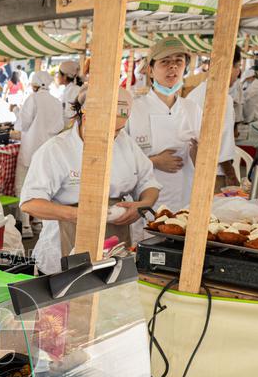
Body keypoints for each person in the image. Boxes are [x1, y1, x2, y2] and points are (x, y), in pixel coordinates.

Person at [21, 87, 161, 275]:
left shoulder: (125, 142)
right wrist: (79, 215)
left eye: (118, 130)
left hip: (116, 243)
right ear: (86, 117)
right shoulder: (56, 150)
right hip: (63, 248)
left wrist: (143, 205)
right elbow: (30, 204)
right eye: (108, 129)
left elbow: (148, 182)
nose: (113, 136)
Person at [126, 37, 202, 211]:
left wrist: (199, 151)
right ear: (150, 70)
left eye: (178, 62)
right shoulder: (135, 109)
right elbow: (118, 160)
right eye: (165, 62)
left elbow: (200, 161)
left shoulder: (192, 109)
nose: (173, 67)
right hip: (145, 203)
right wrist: (154, 161)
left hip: (185, 200)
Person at [13, 71, 64, 241]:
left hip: (30, 150)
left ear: (35, 84)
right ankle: (39, 222)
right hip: (48, 152)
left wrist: (15, 111)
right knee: (44, 188)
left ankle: (26, 224)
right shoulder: (56, 102)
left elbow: (22, 124)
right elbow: (59, 126)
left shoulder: (32, 99)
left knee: (23, 186)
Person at [186, 46, 243, 189]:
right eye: (238, 67)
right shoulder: (223, 99)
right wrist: (231, 175)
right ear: (230, 67)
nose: (238, 72)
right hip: (213, 174)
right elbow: (221, 144)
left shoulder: (194, 94)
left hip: (190, 170)